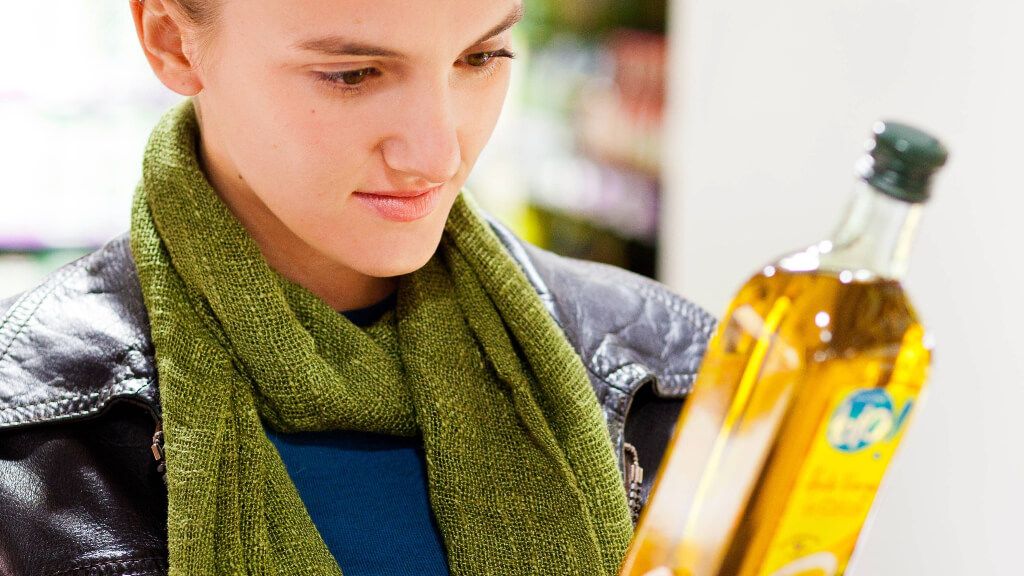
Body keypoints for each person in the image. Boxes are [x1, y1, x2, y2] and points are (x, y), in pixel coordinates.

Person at [0, 1, 715, 574]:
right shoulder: (26, 434)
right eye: (353, 75)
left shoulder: (680, 377)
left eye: (481, 57)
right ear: (171, 41)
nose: (438, 152)